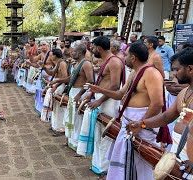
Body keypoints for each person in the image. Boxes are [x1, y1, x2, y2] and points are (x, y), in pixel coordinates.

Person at [89, 43, 164, 180]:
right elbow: (120, 94)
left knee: (141, 163)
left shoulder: (151, 73)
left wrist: (141, 124)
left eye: (126, 55)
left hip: (142, 123)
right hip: (129, 122)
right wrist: (100, 90)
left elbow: (158, 103)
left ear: (133, 58)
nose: (124, 57)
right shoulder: (134, 73)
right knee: (125, 158)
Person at [128, 47, 193, 173]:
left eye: (177, 69)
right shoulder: (184, 92)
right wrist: (142, 124)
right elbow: (166, 117)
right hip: (177, 150)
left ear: (190, 69)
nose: (174, 74)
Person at [81, 36, 125, 176]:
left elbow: (114, 85)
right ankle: (98, 165)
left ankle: (105, 168)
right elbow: (103, 82)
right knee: (99, 132)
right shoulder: (107, 61)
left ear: (99, 48)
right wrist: (92, 94)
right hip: (101, 98)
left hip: (109, 102)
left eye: (93, 47)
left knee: (107, 133)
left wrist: (99, 100)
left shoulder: (114, 62)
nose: (92, 50)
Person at [53, 43, 93, 151]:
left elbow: (90, 81)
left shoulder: (86, 64)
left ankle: (78, 146)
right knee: (70, 118)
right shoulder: (77, 64)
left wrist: (79, 94)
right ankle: (70, 141)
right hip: (73, 92)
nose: (72, 52)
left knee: (78, 120)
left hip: (80, 93)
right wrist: (58, 80)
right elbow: (70, 78)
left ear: (80, 52)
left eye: (74, 51)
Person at [42, 48, 68, 135]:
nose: (50, 57)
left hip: (60, 86)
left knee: (59, 108)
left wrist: (56, 84)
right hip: (56, 85)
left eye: (51, 55)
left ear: (55, 55)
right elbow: (51, 73)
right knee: (54, 107)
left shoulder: (62, 63)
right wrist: (45, 68)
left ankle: (61, 128)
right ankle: (55, 125)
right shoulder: (58, 63)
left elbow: (65, 78)